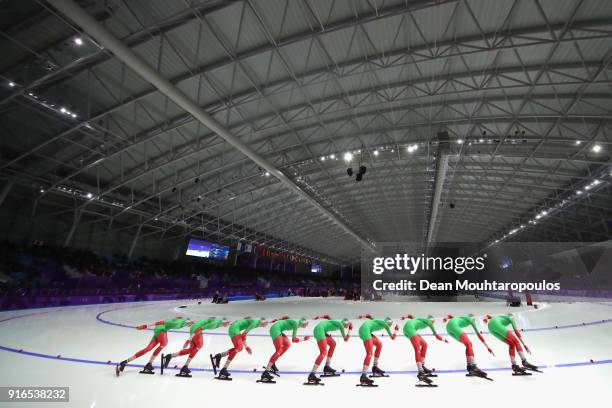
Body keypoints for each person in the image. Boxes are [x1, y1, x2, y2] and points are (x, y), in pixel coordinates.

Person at [116, 317, 193, 376]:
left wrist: (179, 318)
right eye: (190, 324)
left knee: (147, 349)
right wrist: (146, 326)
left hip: (159, 330)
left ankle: (125, 362)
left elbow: (178, 317)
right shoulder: (178, 323)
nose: (190, 326)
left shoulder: (183, 322)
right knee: (164, 343)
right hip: (161, 329)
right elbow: (161, 322)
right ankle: (149, 363)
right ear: (188, 322)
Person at [162, 317, 229, 377]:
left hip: (194, 328)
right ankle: (185, 366)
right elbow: (199, 329)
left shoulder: (218, 322)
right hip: (196, 330)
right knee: (198, 346)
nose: (228, 324)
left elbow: (209, 319)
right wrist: (188, 341)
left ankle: (170, 356)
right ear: (224, 323)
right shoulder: (214, 324)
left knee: (192, 349)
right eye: (227, 323)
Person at [259, 316, 310, 383]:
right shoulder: (296, 324)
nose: (306, 326)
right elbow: (294, 340)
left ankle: (272, 363)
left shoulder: (296, 322)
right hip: (275, 330)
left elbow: (286, 317)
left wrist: (278, 319)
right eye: (306, 324)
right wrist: (304, 339)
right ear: (302, 323)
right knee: (279, 350)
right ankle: (266, 372)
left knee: (287, 344)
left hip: (278, 329)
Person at [401, 314, 447, 384]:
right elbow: (436, 334)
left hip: (408, 330)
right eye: (433, 320)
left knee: (424, 344)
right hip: (410, 329)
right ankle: (420, 373)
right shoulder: (429, 322)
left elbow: (411, 316)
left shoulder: (420, 319)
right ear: (431, 320)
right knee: (417, 349)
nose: (433, 322)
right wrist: (443, 339)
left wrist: (405, 317)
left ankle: (422, 366)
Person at [444, 314, 494, 379]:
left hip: (449, 329)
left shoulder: (462, 318)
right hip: (454, 326)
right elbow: (479, 335)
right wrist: (488, 347)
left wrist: (446, 318)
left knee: (468, 344)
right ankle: (473, 367)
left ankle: (470, 367)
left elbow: (450, 316)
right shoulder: (471, 320)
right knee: (469, 343)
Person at [305, 315, 351, 385]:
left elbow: (327, 316)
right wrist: (350, 330)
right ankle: (312, 374)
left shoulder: (336, 322)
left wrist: (318, 317)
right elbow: (345, 339)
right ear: (344, 324)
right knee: (323, 352)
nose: (347, 326)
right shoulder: (340, 325)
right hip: (320, 331)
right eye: (347, 325)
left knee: (333, 344)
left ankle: (327, 366)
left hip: (321, 330)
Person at [356, 314, 398, 386]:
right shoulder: (385, 324)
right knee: (369, 353)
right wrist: (396, 330)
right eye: (390, 324)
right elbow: (392, 337)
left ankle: (375, 367)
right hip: (365, 331)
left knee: (379, 344)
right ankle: (363, 376)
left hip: (365, 330)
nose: (390, 325)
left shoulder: (379, 322)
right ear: (388, 322)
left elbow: (369, 316)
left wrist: (362, 316)